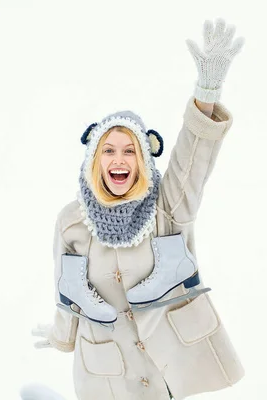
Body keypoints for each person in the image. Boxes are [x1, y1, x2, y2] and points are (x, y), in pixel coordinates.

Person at [31, 18, 245, 400]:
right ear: (94, 161)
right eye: (108, 150)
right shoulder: (71, 222)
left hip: (164, 370)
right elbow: (68, 290)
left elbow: (193, 156)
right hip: (105, 374)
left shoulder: (166, 209)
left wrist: (206, 91)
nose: (119, 159)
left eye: (130, 150)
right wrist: (60, 335)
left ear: (144, 160)